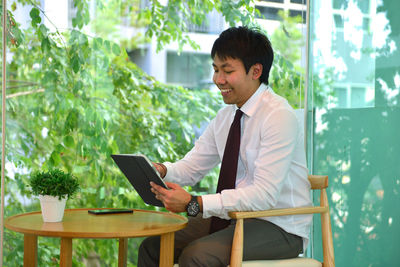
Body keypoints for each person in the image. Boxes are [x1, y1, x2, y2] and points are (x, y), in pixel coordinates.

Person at [138, 26, 312, 267]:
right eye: (216, 69)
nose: (218, 80)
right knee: (153, 247)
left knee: (197, 256)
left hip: (279, 225)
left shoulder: (278, 116)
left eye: (227, 71)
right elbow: (193, 167)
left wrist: (194, 204)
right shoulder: (226, 116)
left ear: (256, 71)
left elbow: (264, 196)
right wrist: (162, 170)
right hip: (234, 216)